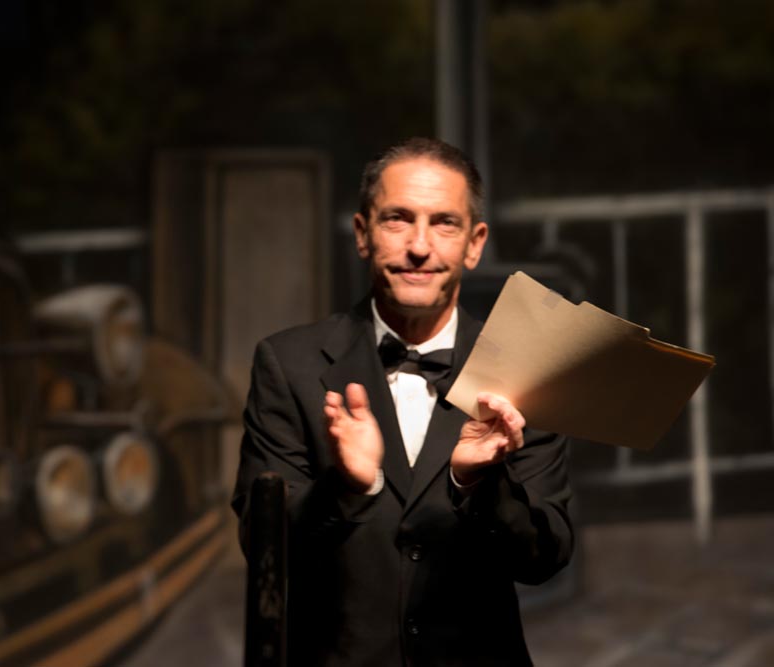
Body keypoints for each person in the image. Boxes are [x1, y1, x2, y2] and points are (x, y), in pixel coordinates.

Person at [232, 137, 573, 666]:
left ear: (474, 244)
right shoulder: (288, 363)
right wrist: (346, 487)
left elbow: (544, 557)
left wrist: (478, 485)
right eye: (398, 219)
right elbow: (263, 547)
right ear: (362, 234)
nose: (419, 246)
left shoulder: (525, 367)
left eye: (444, 223)